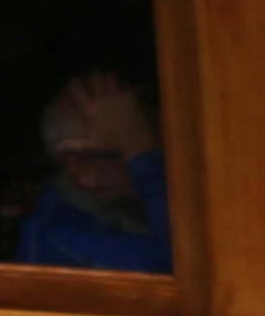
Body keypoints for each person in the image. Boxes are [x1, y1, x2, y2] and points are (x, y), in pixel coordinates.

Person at [12, 67, 171, 274]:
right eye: (126, 150)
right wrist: (141, 152)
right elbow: (184, 273)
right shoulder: (62, 235)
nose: (163, 151)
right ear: (78, 167)